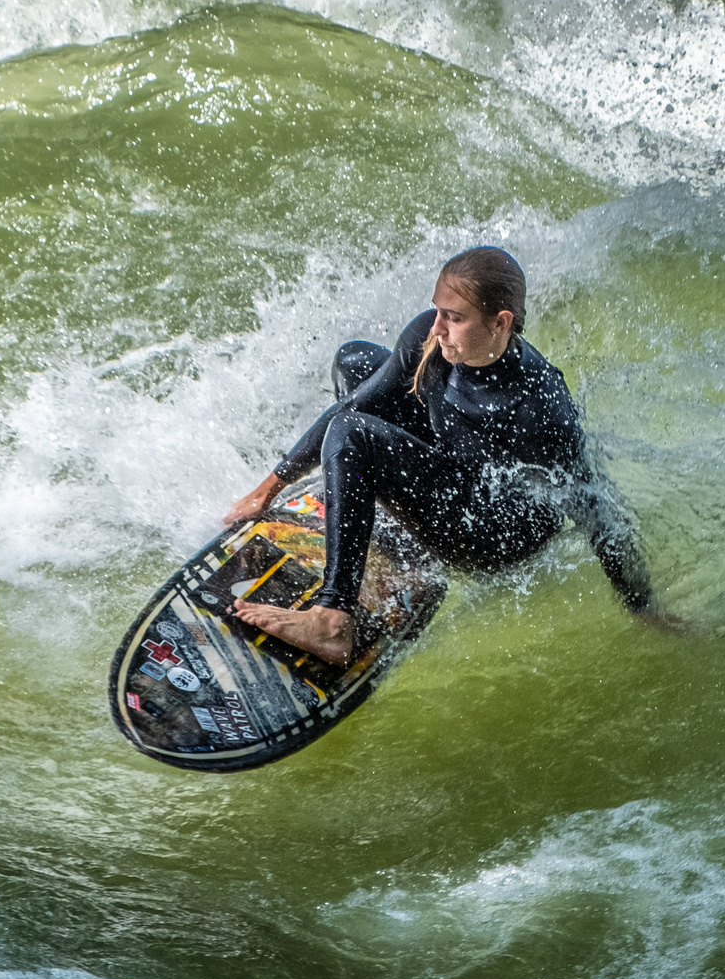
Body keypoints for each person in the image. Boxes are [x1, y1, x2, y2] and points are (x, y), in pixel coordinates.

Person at [224, 246, 664, 665]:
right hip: (453, 463)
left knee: (352, 434)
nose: (437, 327)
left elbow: (598, 511)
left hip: (491, 530)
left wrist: (644, 609)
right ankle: (357, 494)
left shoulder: (539, 405)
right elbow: (356, 403)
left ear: (500, 323)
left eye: (454, 318)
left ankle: (332, 621)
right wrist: (269, 487)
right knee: (355, 362)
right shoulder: (435, 339)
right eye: (438, 311)